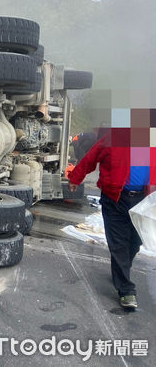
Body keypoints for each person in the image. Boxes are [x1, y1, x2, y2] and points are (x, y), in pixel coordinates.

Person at [68, 126, 151, 309]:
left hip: (141, 202)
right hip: (114, 199)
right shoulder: (114, 138)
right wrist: (75, 177)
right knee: (119, 244)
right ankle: (126, 290)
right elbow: (91, 157)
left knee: (134, 243)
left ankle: (120, 270)